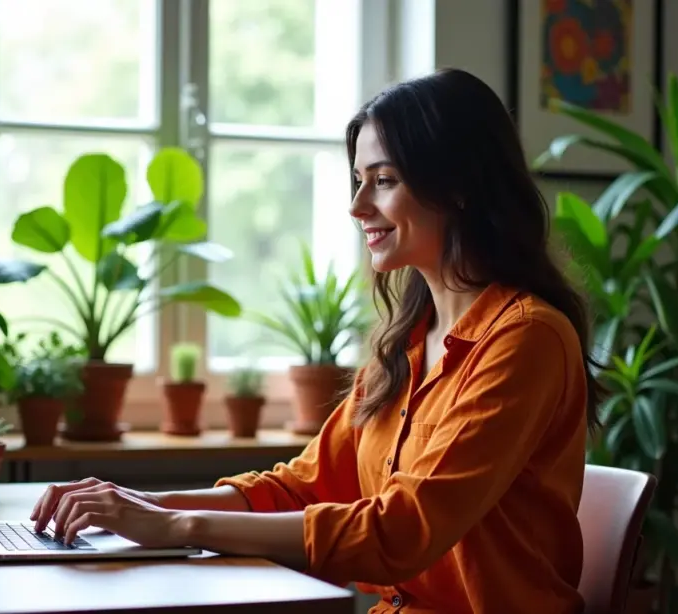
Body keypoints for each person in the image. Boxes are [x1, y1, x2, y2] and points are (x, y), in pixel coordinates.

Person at [30, 68, 600, 614]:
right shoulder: (406, 342)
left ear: (459, 188)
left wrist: (179, 527)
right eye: (358, 181)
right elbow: (306, 485)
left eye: (384, 180)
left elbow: (402, 530)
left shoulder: (525, 338)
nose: (358, 207)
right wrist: (137, 506)